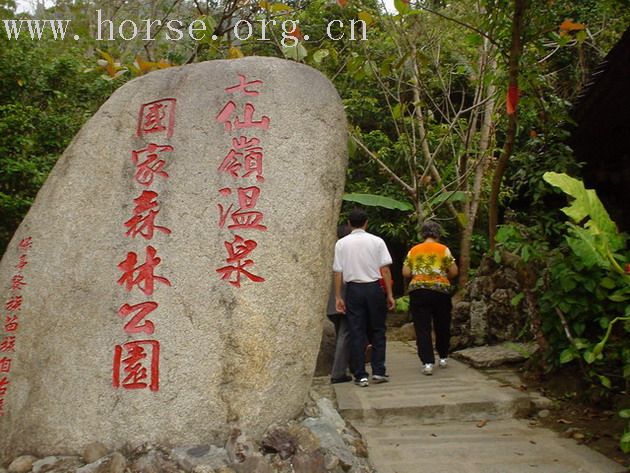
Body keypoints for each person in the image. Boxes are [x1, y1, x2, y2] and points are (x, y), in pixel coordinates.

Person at [333, 208, 395, 387]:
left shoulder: (342, 244)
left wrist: (338, 296)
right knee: (378, 330)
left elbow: (338, 272)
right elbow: (384, 270)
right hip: (374, 288)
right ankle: (378, 371)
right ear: (367, 223)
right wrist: (389, 294)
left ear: (349, 224)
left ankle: (360, 374)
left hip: (353, 290)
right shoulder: (377, 241)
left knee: (356, 331)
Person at [402, 220, 458, 375]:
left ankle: (427, 362)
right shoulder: (443, 249)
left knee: (422, 327)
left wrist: (418, 274)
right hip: (440, 291)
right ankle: (443, 357)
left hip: (418, 291)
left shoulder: (414, 250)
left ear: (423, 234)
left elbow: (406, 272)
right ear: (438, 234)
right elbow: (454, 271)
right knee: (442, 324)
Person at [327, 225, 352, 384]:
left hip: (332, 302)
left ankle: (344, 367)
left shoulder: (332, 250)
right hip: (344, 299)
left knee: (341, 335)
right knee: (345, 334)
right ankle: (338, 373)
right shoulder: (348, 252)